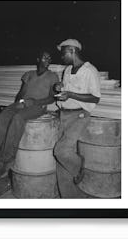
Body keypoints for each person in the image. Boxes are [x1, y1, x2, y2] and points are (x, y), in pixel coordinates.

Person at [0, 50, 59, 179]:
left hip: (38, 106)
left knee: (17, 118)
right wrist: (17, 104)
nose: (48, 60)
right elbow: (21, 93)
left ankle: (6, 160)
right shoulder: (29, 74)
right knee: (0, 118)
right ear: (38, 59)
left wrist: (34, 102)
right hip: (23, 103)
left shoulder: (52, 76)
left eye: (49, 58)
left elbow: (52, 98)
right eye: (45, 57)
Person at [53, 39, 101, 198]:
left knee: (61, 151)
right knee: (61, 164)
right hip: (64, 114)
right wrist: (59, 87)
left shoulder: (89, 70)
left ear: (72, 51)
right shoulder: (67, 70)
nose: (61, 57)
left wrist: (71, 94)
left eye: (63, 53)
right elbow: (66, 90)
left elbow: (95, 98)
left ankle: (79, 164)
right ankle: (70, 199)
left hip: (80, 115)